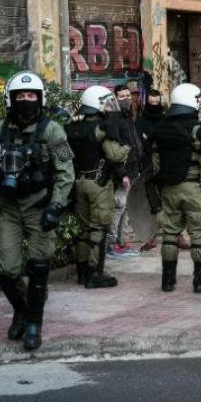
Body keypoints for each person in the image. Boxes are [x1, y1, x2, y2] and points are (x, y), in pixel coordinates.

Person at [0, 71, 74, 350]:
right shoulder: (0, 129)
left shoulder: (52, 130)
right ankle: (21, 309)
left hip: (38, 206)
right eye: (21, 95)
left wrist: (56, 206)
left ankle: (34, 323)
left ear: (40, 98)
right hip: (8, 208)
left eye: (31, 95)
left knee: (38, 266)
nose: (26, 100)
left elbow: (66, 173)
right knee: (5, 268)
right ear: (11, 99)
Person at [150, 83, 201, 294]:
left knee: (170, 233)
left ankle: (167, 281)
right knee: (198, 233)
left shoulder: (161, 129)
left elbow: (155, 165)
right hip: (193, 189)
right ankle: (200, 280)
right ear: (192, 102)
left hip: (168, 188)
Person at [67, 85, 131, 288]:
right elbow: (115, 155)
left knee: (84, 229)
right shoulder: (102, 128)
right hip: (98, 184)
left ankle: (82, 272)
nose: (110, 107)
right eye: (106, 103)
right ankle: (95, 274)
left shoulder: (73, 128)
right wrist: (127, 145)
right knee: (99, 228)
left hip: (79, 181)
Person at [107, 84, 142, 258]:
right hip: (123, 173)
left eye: (128, 95)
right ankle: (111, 244)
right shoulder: (113, 120)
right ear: (115, 99)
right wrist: (122, 174)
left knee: (127, 207)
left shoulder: (128, 117)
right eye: (122, 97)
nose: (126, 99)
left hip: (134, 169)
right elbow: (114, 151)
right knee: (119, 206)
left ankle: (121, 242)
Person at [135, 90, 165, 252]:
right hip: (148, 167)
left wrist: (150, 139)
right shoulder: (140, 122)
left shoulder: (166, 120)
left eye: (156, 103)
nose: (154, 105)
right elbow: (139, 143)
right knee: (150, 203)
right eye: (151, 102)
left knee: (169, 201)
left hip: (165, 166)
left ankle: (177, 236)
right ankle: (150, 237)